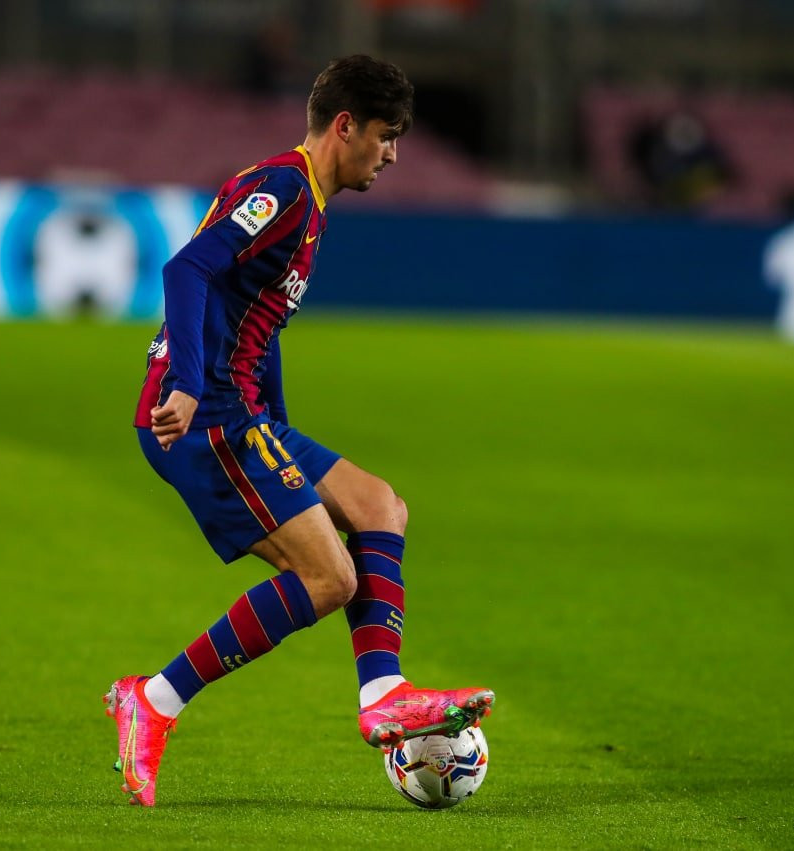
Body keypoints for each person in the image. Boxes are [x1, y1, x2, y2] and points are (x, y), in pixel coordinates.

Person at [105, 54, 494, 808]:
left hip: (242, 412)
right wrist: (187, 382)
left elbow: (259, 317)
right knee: (331, 578)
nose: (392, 154)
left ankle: (384, 690)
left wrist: (277, 422)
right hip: (203, 415)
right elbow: (188, 271)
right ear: (344, 125)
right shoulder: (282, 188)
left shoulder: (306, 200)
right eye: (385, 136)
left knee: (380, 504)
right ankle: (152, 700)